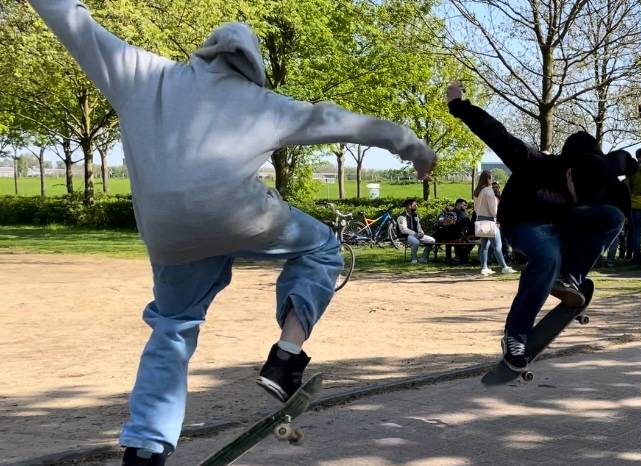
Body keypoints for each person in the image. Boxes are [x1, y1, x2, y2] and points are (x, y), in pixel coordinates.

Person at [26, 2, 438, 464]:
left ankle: (144, 450)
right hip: (242, 217)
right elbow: (343, 121)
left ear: (206, 53)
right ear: (253, 64)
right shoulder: (265, 104)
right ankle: (286, 357)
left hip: (169, 232)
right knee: (322, 247)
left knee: (173, 327)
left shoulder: (144, 74)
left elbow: (74, 24)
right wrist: (414, 148)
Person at [447, 82, 628, 371]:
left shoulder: (596, 177)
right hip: (522, 223)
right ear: (569, 170)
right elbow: (496, 133)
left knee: (612, 217)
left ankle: (570, 275)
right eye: (579, 182)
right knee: (547, 255)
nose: (583, 190)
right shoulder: (534, 161)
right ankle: (516, 335)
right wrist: (458, 105)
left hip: (559, 225)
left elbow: (619, 189)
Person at [474, 171, 516, 276]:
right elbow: (493, 209)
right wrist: (498, 219)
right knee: (497, 245)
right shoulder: (489, 191)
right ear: (488, 178)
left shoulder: (477, 191)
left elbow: (476, 208)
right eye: (491, 177)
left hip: (480, 219)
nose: (492, 179)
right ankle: (504, 267)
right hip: (490, 220)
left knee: (484, 246)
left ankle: (484, 268)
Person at [436, 198, 475, 263]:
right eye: (464, 205)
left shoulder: (449, 213)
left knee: (451, 234)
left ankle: (448, 257)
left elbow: (443, 224)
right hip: (457, 237)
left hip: (445, 237)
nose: (466, 207)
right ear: (459, 204)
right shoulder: (463, 214)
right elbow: (468, 226)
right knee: (462, 236)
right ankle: (459, 256)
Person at [398, 199, 436, 264]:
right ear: (409, 206)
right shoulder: (402, 216)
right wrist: (415, 233)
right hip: (406, 236)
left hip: (416, 235)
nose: (416, 206)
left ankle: (423, 258)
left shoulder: (415, 215)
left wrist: (421, 232)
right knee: (416, 242)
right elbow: (404, 230)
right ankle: (414, 259)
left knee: (432, 240)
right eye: (415, 205)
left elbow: (418, 226)